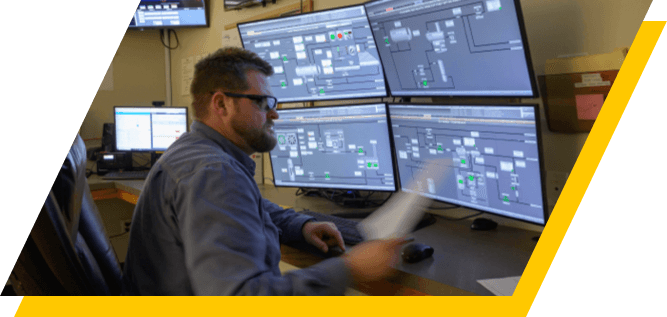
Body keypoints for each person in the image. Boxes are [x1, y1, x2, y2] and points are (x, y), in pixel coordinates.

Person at [120, 47, 411, 296]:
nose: (274, 113)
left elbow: (243, 206)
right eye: (263, 102)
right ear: (221, 104)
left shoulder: (195, 151)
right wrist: (351, 268)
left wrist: (299, 224)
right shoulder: (213, 172)